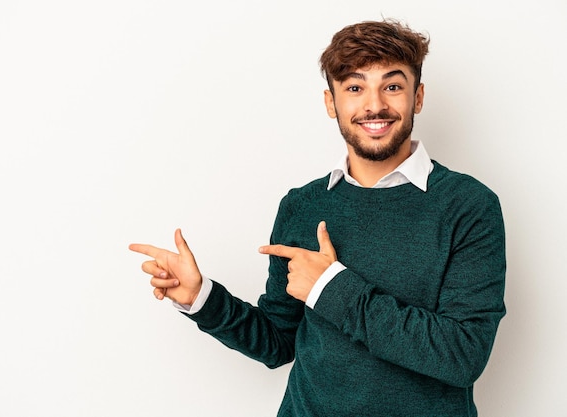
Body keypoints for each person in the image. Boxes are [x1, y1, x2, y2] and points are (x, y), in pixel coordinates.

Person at [129, 19, 506, 417]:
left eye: (392, 86)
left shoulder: (469, 206)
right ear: (331, 102)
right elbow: (278, 342)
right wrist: (201, 299)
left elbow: (462, 356)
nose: (374, 105)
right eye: (355, 88)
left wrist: (331, 287)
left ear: (418, 96)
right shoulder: (301, 206)